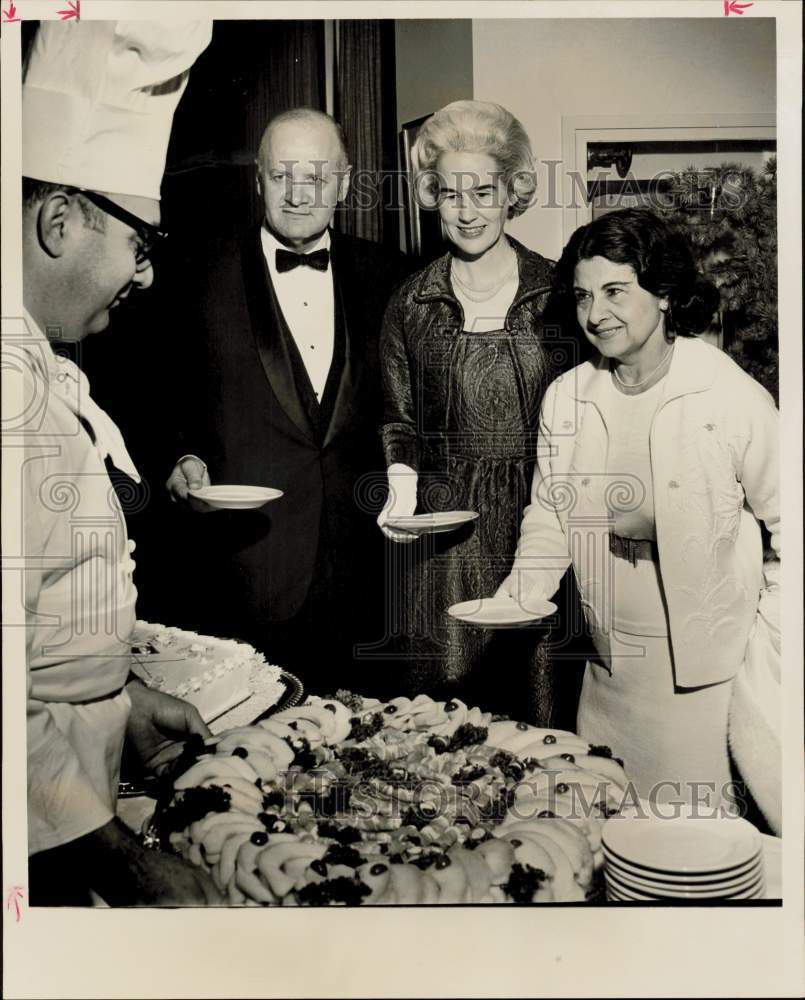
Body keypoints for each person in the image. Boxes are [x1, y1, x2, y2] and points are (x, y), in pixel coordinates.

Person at [17, 19, 221, 904]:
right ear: (59, 220)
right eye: (142, 247)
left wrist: (125, 704)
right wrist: (121, 861)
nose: (145, 279)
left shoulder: (45, 366)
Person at [495, 208, 780, 825]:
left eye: (616, 291)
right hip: (605, 677)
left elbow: (792, 524)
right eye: (583, 295)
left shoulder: (729, 396)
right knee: (602, 842)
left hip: (704, 686)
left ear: (666, 293)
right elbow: (550, 513)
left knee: (694, 851)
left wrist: (772, 638)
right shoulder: (568, 396)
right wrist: (521, 592)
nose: (596, 313)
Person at [165, 108, 408, 696]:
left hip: (365, 584)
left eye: (317, 177)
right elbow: (158, 391)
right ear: (258, 181)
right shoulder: (195, 273)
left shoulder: (390, 276)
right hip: (245, 577)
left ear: (345, 184)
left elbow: (410, 410)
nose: (299, 196)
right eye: (281, 177)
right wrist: (179, 457)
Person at [377, 100, 568, 723]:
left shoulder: (557, 293)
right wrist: (401, 488)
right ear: (432, 196)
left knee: (539, 713)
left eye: (483, 191)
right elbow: (398, 417)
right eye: (451, 193)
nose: (467, 211)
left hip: (539, 524)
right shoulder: (411, 301)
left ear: (513, 191)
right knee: (447, 717)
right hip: (445, 537)